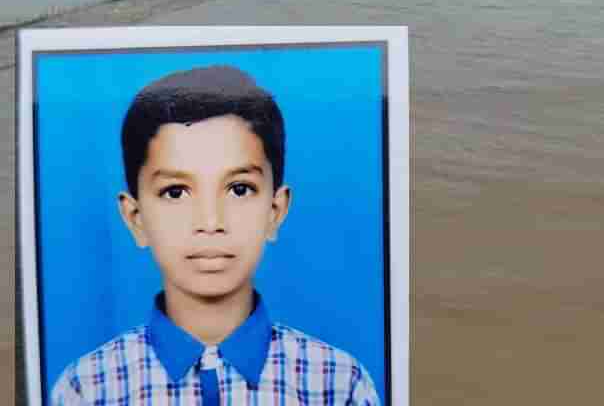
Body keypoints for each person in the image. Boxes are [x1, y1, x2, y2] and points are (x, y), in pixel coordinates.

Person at [50, 65, 381, 405]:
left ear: (275, 211)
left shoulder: (338, 384)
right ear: (136, 218)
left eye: (239, 189)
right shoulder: (87, 388)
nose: (210, 221)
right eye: (175, 192)